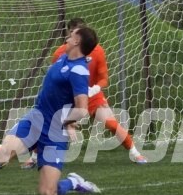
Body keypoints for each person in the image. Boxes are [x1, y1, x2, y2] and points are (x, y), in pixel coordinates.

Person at [0, 25, 103, 195]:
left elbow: (82, 109)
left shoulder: (79, 70)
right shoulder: (64, 57)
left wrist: (66, 122)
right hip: (36, 120)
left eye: (71, 35)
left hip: (55, 132)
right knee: (3, 154)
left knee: (47, 193)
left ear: (77, 41)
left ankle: (73, 182)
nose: (67, 38)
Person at [24, 18, 146, 167]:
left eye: (78, 32)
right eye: (72, 32)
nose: (73, 36)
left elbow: (103, 78)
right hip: (68, 98)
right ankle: (34, 156)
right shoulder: (60, 53)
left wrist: (94, 89)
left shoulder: (98, 51)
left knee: (111, 124)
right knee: (48, 122)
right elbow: (55, 80)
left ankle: (135, 153)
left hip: (92, 96)